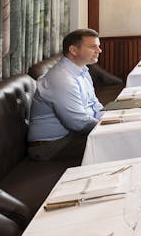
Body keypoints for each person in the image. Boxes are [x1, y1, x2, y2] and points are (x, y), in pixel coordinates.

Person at [28, 29, 104, 162]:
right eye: (93, 47)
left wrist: (112, 119)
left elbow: (95, 105)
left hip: (71, 137)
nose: (99, 50)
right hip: (50, 146)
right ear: (73, 50)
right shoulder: (62, 78)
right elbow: (77, 122)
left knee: (121, 135)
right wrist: (107, 126)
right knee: (115, 141)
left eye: (98, 46)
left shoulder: (82, 70)